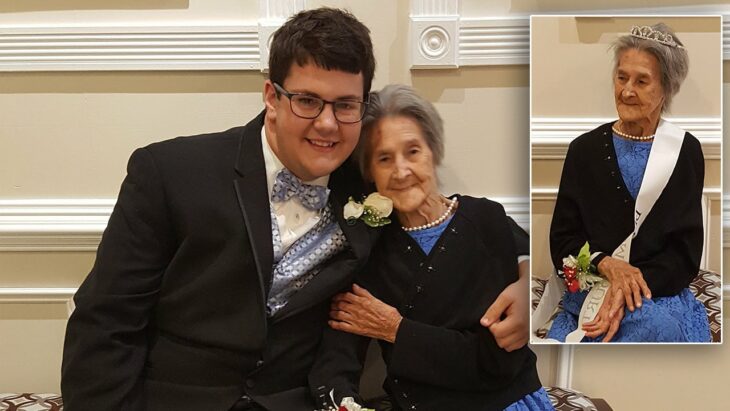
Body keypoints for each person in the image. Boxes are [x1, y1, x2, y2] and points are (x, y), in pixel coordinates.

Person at [61, 8, 531, 411]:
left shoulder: (373, 184)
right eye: (307, 100)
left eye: (345, 105)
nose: (327, 124)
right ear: (271, 97)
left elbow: (469, 222)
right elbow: (106, 325)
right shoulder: (169, 172)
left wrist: (528, 279)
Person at [309, 85, 552, 410]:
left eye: (413, 151)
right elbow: (335, 362)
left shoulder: (485, 220)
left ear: (433, 152)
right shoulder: (368, 249)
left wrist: (396, 330)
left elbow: (495, 362)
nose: (401, 171)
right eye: (384, 158)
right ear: (369, 173)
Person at [546, 23, 710, 342]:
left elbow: (684, 254)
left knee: (658, 331)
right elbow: (563, 240)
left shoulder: (685, 152)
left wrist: (630, 286)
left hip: (654, 291)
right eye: (621, 77)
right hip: (592, 285)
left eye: (642, 81)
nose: (627, 91)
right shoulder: (584, 151)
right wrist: (607, 266)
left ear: (667, 88)